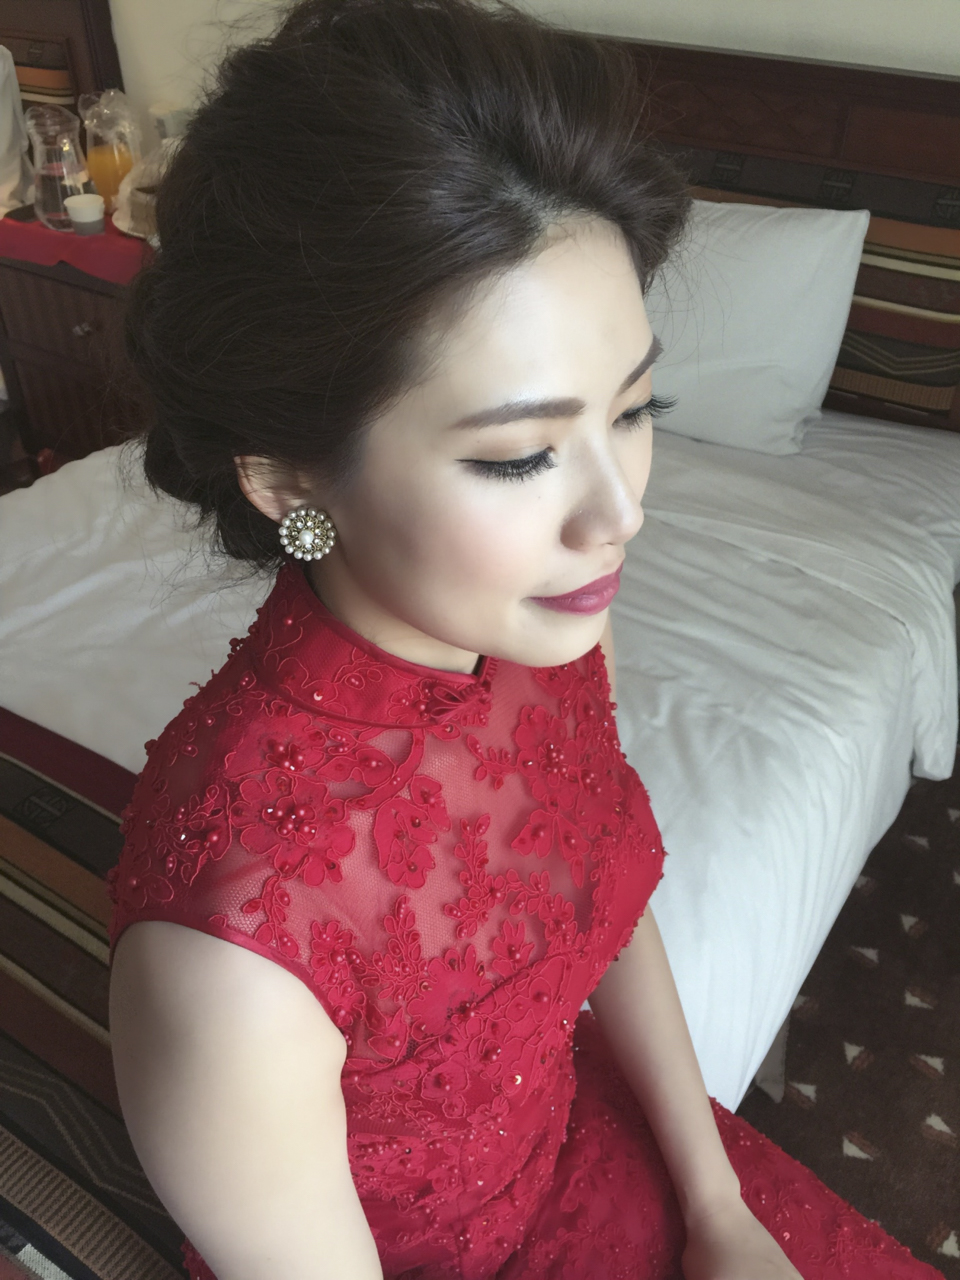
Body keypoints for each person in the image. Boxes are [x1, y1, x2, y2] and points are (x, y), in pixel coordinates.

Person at [106, 3, 943, 1277]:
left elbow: (606, 894)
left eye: (639, 408)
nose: (621, 514)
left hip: (611, 1152)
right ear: (284, 479)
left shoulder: (546, 642)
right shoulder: (230, 962)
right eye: (518, 455)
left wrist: (718, 1204)